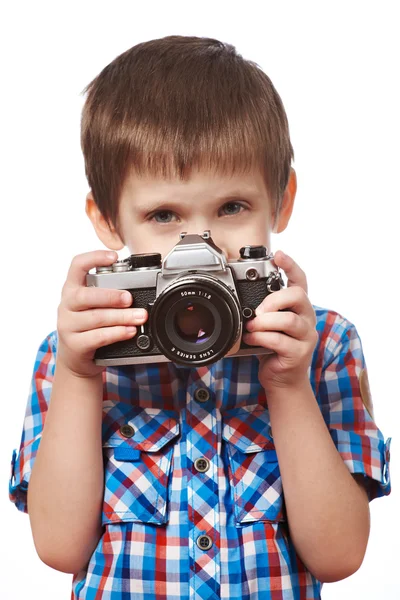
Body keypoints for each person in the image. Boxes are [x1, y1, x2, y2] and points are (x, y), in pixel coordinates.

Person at [9, 36, 391, 600]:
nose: (200, 242)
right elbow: (60, 547)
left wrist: (287, 385)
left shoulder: (323, 343)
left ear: (281, 200)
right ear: (108, 221)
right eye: (163, 215)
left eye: (232, 207)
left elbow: (338, 556)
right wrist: (79, 376)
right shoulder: (80, 353)